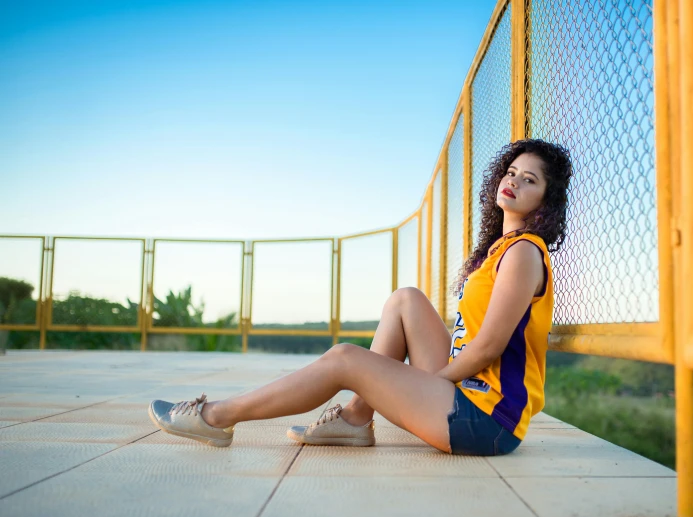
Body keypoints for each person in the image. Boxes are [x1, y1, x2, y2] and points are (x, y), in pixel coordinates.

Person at [148, 139, 573, 456]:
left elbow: (488, 347)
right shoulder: (500, 250)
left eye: (529, 179)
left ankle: (217, 417)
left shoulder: (522, 253)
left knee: (346, 359)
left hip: (487, 422)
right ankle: (356, 417)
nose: (514, 180)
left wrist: (428, 382)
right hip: (467, 394)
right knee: (406, 299)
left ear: (544, 203)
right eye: (512, 171)